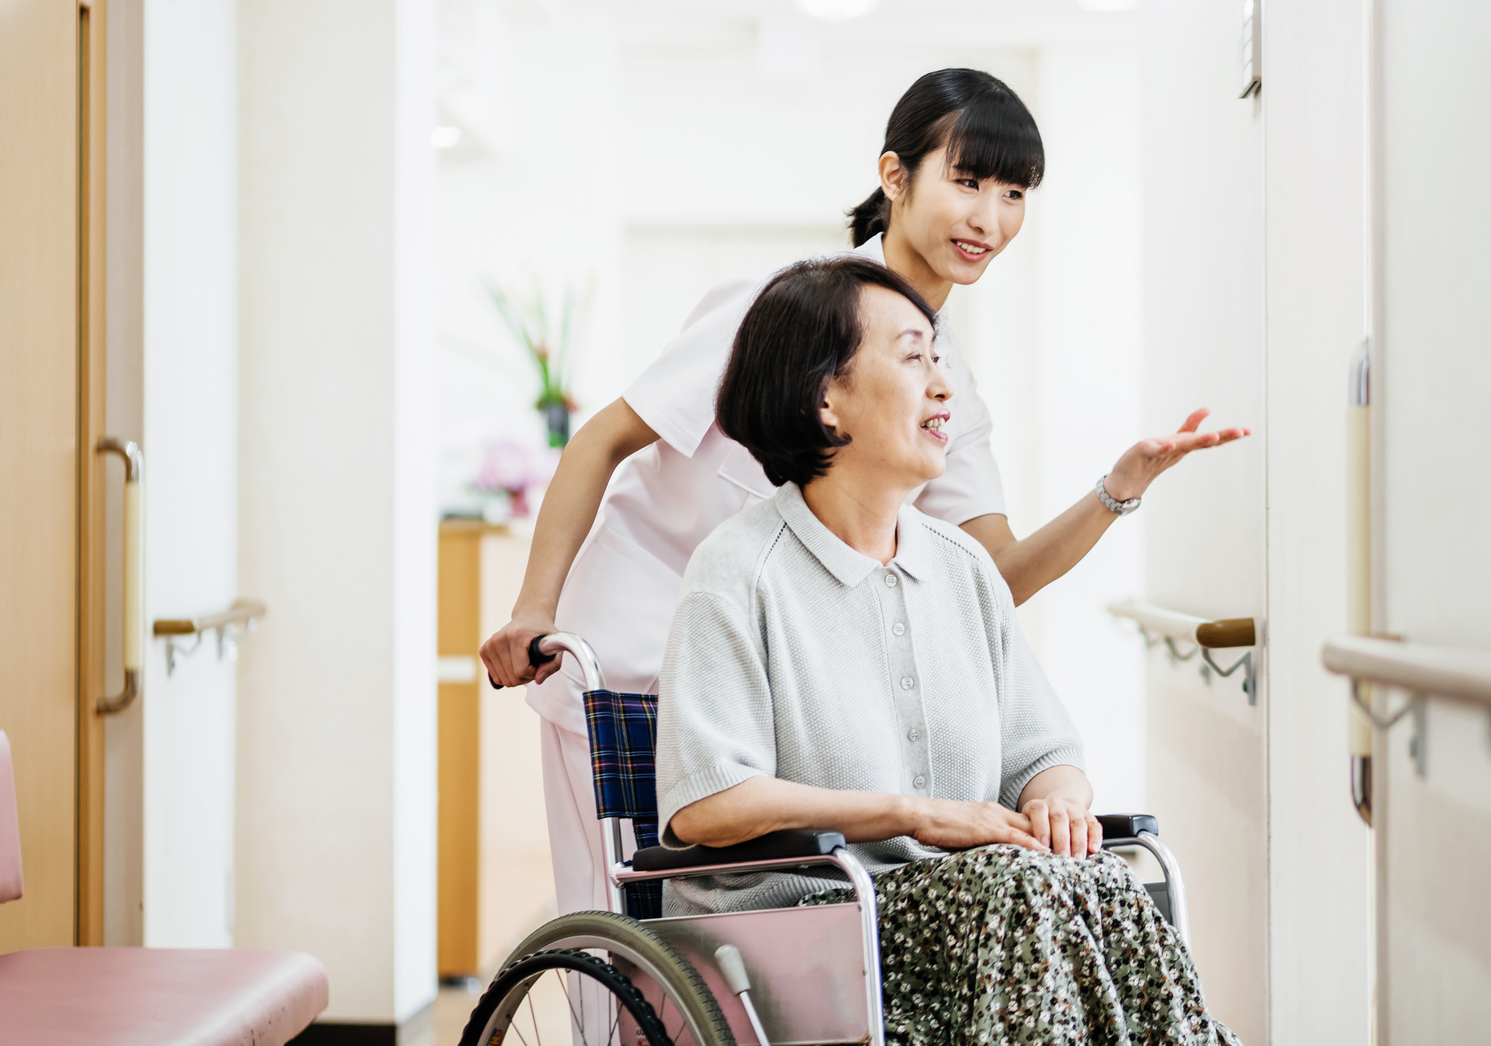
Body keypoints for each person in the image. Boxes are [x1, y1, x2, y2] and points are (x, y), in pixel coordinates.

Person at [480, 68, 1248, 934]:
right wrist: (532, 609)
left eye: (1013, 192)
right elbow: (604, 440)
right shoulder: (782, 313)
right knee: (625, 937)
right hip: (626, 655)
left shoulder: (942, 388)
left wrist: (1117, 492)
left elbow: (994, 574)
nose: (988, 219)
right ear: (895, 177)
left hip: (776, 686)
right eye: (966, 181)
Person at [656, 257, 1247, 1046]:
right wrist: (912, 814)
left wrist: (1058, 805)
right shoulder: (738, 572)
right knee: (1021, 886)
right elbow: (708, 804)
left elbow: (1045, 753)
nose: (944, 387)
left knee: (1096, 872)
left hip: (977, 914)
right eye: (912, 358)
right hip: (806, 932)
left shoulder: (960, 568)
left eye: (940, 359)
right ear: (825, 397)